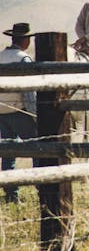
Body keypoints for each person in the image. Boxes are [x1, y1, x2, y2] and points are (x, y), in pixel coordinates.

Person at [0, 23, 37, 203]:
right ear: (25, 40)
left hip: (2, 112)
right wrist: (36, 115)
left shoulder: (1, 57)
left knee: (8, 153)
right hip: (19, 111)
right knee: (38, 149)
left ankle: (11, 194)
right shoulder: (23, 59)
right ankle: (44, 187)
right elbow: (29, 94)